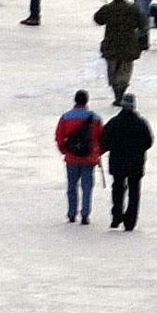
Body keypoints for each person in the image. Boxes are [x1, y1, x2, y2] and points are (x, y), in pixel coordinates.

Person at [100, 93, 153, 231]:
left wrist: (113, 147)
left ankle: (117, 216)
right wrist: (138, 150)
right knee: (134, 191)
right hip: (136, 163)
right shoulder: (141, 123)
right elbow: (148, 142)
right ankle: (130, 221)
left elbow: (104, 140)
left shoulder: (114, 122)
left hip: (117, 162)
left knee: (117, 189)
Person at [93, 0, 148, 106]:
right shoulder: (134, 9)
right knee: (125, 71)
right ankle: (121, 93)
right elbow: (143, 24)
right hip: (129, 46)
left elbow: (98, 19)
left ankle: (117, 95)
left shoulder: (109, 8)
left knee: (112, 71)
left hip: (111, 45)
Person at [55, 89, 103, 224]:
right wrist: (97, 153)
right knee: (87, 187)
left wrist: (65, 151)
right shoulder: (95, 118)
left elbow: (59, 137)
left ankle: (71, 213)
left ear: (75, 100)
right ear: (87, 101)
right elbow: (101, 138)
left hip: (72, 158)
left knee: (72, 186)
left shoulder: (66, 117)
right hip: (89, 158)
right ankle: (85, 214)